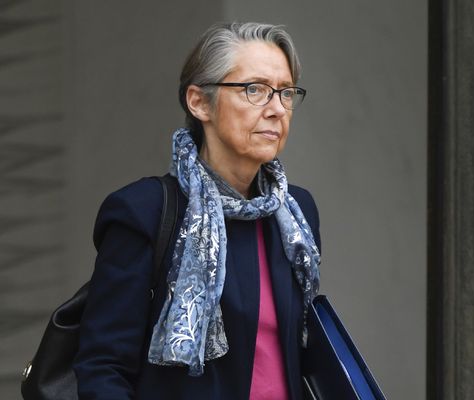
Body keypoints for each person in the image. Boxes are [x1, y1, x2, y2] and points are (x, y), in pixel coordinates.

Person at [73, 22, 321, 400]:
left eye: (286, 93)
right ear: (199, 102)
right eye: (255, 90)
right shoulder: (144, 213)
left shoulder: (296, 216)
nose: (276, 109)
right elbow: (102, 368)